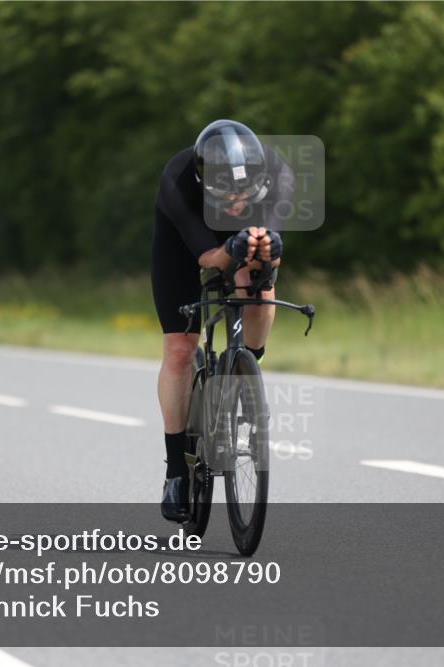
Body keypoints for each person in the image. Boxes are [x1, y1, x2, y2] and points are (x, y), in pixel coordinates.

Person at [152, 119, 293, 522]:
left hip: (244, 236)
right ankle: (176, 470)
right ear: (203, 180)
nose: (236, 201)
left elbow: (272, 250)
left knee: (259, 282)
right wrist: (227, 250)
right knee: (180, 349)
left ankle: (249, 365)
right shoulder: (178, 180)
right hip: (186, 243)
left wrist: (269, 247)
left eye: (245, 192)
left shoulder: (278, 172)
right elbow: (208, 260)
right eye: (226, 194)